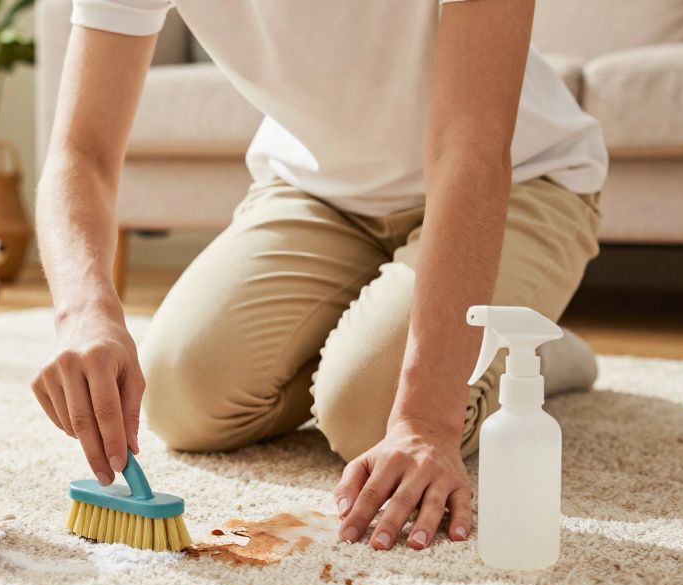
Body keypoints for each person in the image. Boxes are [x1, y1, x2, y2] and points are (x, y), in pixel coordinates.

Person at [30, 0, 607, 551]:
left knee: (371, 418)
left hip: (521, 180)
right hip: (317, 191)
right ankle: (397, 334)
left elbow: (470, 149)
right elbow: (81, 151)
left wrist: (427, 419)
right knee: (183, 395)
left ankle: (530, 353)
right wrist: (83, 312)